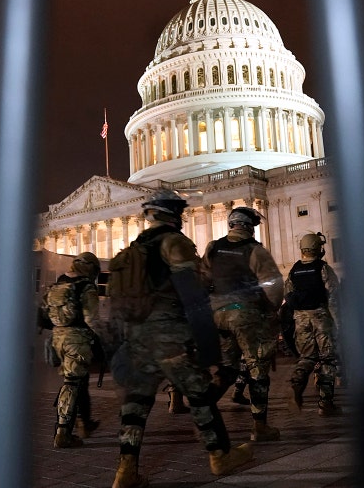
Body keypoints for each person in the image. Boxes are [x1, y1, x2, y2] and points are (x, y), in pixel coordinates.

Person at [109, 190, 252, 488]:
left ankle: (126, 470)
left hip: (138, 335)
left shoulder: (135, 248)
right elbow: (193, 294)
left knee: (136, 402)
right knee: (199, 394)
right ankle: (219, 455)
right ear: (175, 214)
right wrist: (208, 343)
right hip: (169, 334)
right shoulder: (175, 243)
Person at [201, 206, 285, 441]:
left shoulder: (213, 247)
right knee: (257, 369)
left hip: (219, 315)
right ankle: (260, 427)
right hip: (246, 315)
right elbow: (274, 286)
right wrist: (271, 309)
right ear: (249, 227)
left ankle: (204, 409)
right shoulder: (255, 250)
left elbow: (202, 277)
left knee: (227, 368)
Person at [43, 251, 103, 447]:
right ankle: (62, 433)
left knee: (79, 381)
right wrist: (103, 339)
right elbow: (92, 319)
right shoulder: (86, 287)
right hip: (77, 340)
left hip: (58, 339)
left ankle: (84, 423)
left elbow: (45, 312)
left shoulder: (58, 284)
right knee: (72, 384)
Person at [284, 232, 341, 416]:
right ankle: (325, 403)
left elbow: (288, 294)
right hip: (321, 316)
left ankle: (296, 385)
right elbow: (333, 297)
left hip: (300, 319)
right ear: (318, 248)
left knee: (306, 357)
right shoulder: (323, 268)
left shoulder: (294, 270)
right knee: (327, 358)